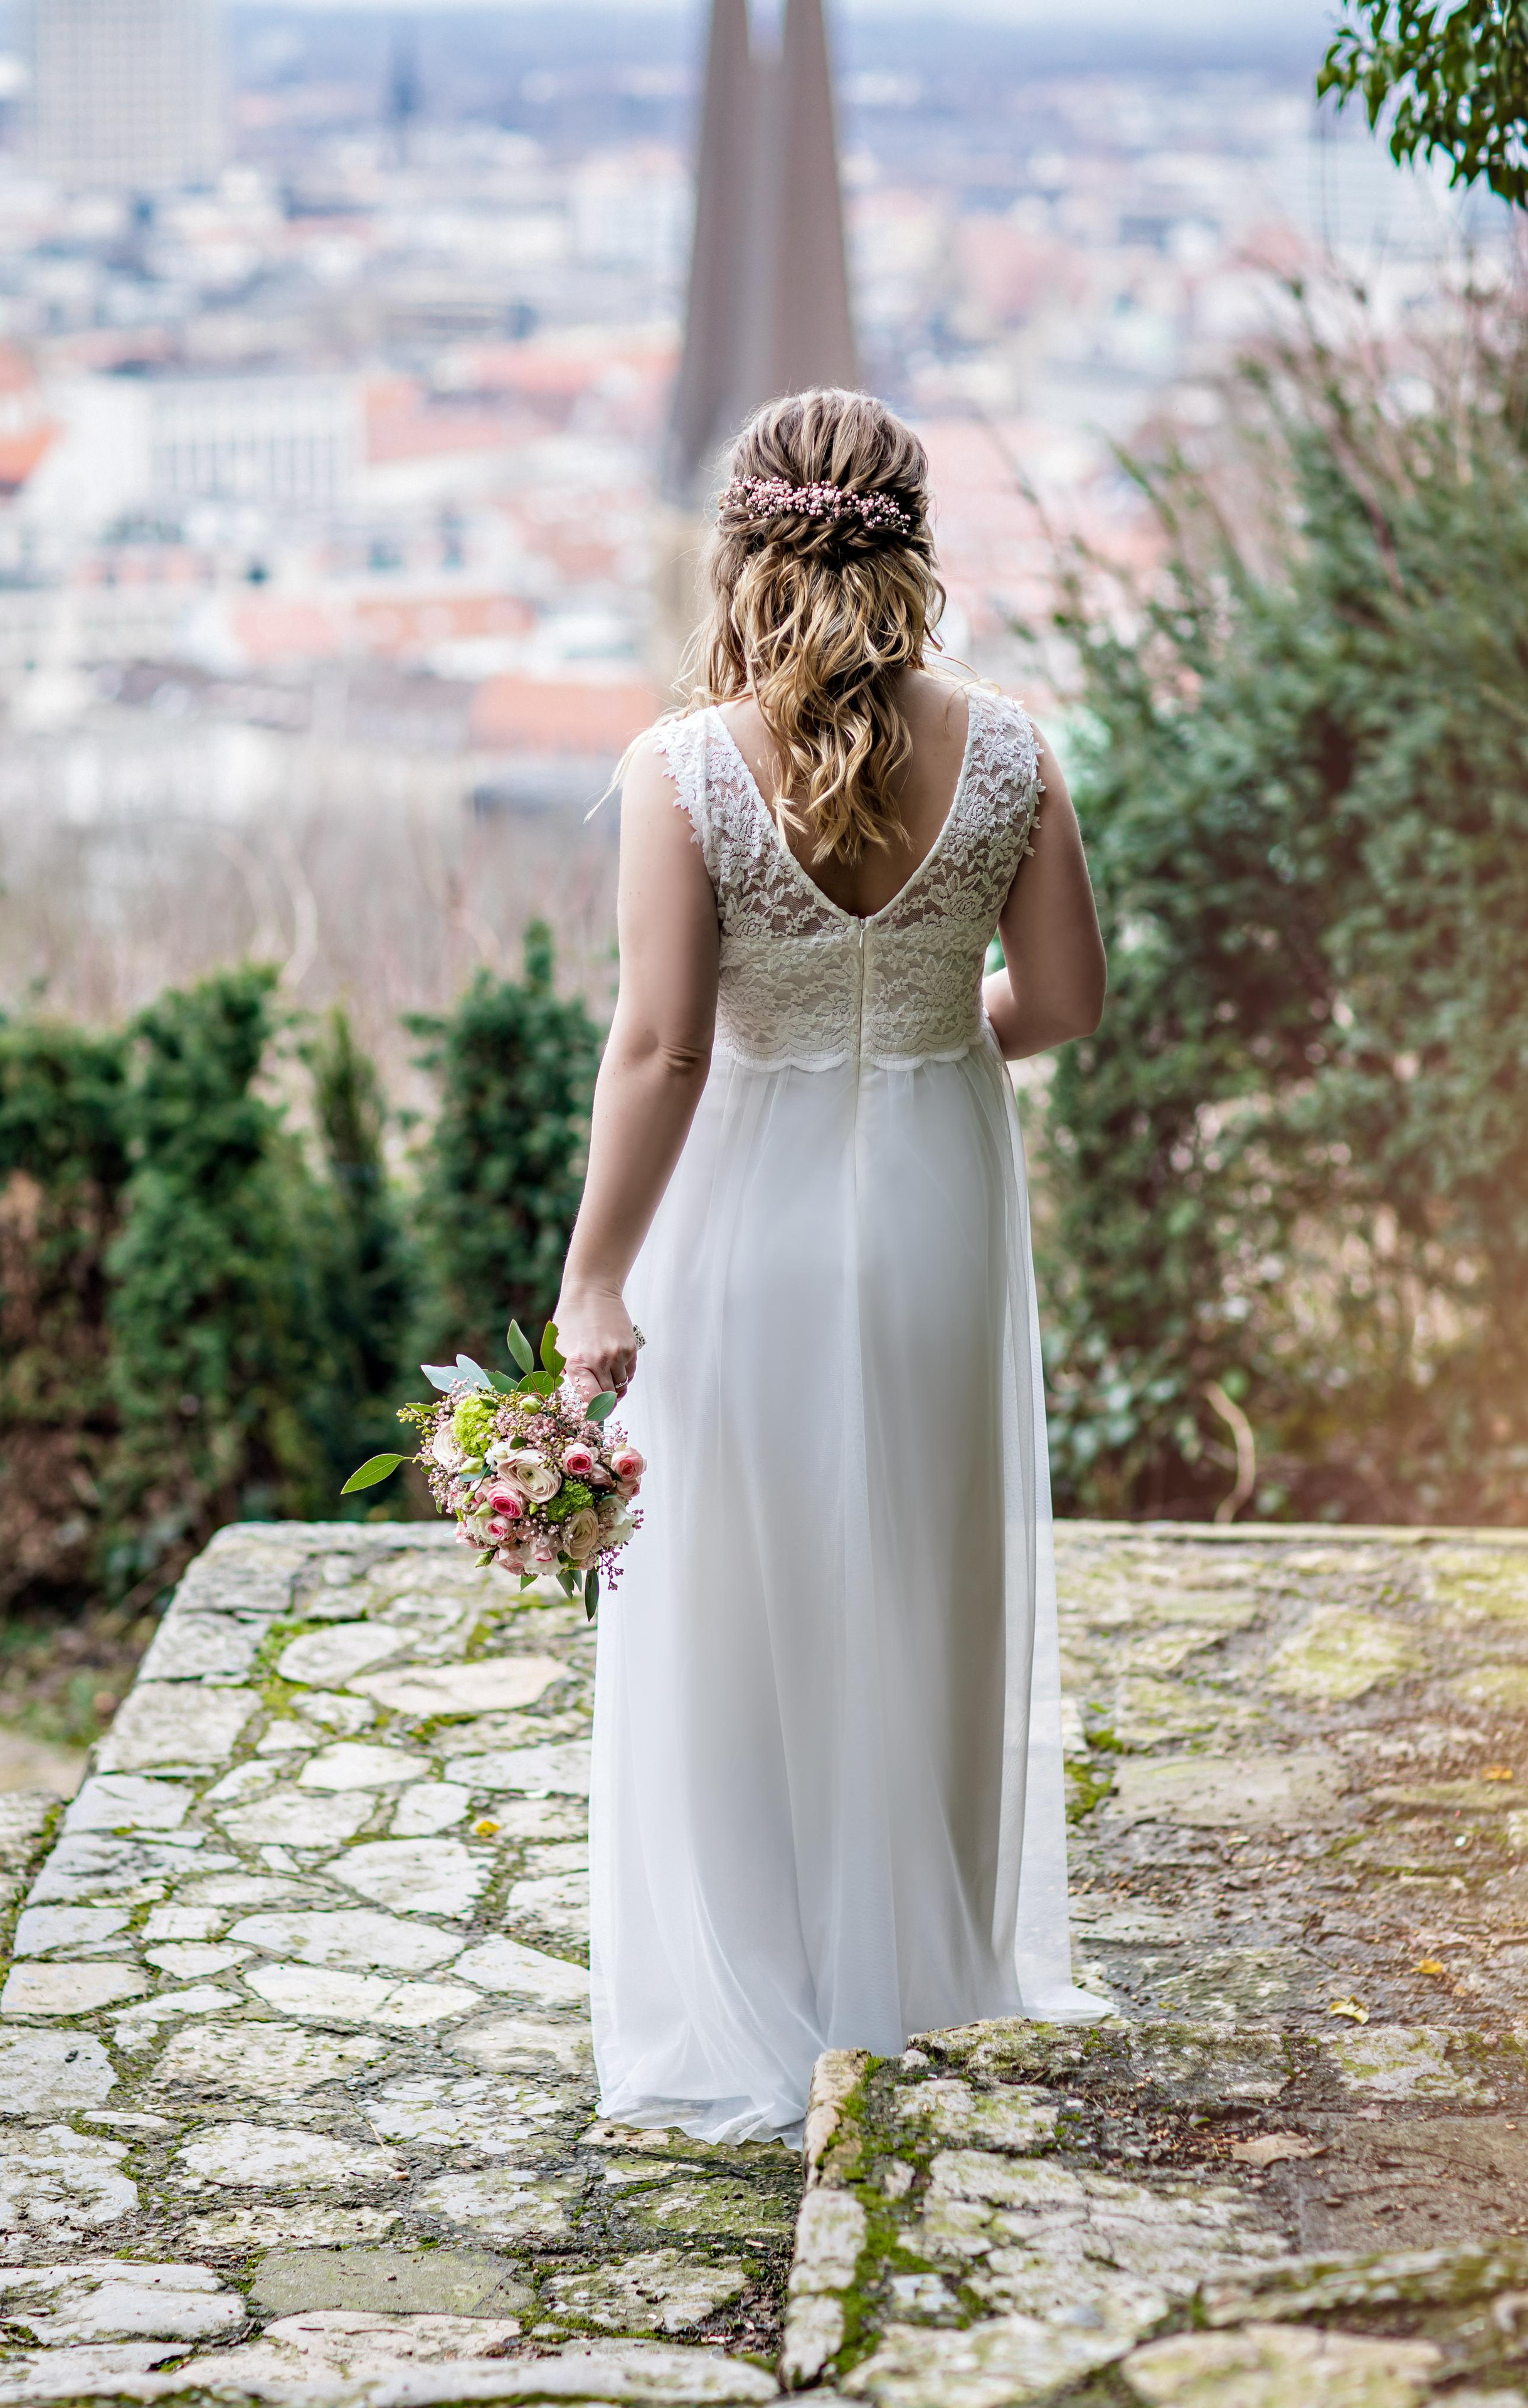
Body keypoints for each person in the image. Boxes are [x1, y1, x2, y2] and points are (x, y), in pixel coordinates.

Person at [554, 388, 1108, 2147]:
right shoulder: (1012, 751)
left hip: (748, 1218)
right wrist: (942, 1036)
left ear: (745, 551)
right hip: (940, 1201)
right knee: (924, 1570)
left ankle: (766, 1980)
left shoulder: (683, 770)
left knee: (741, 1580)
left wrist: (592, 1285)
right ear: (916, 552)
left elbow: (663, 1052)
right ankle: (916, 1972)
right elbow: (1073, 1003)